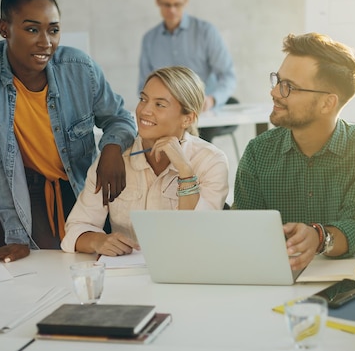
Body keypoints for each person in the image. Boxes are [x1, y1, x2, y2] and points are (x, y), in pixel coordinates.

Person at [0, 0, 136, 264]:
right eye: (31, 29)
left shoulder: (80, 68)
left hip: (84, 184)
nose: (46, 42)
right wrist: (14, 233)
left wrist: (110, 149)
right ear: (4, 29)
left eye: (53, 29)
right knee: (45, 266)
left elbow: (119, 118)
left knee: (103, 262)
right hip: (29, 192)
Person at [233, 32, 355, 271]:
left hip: (347, 285)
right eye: (278, 81)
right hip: (272, 281)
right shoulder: (258, 152)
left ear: (327, 103)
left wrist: (319, 238)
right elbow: (245, 232)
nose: (275, 92)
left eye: (289, 87)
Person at [61, 66, 229, 255]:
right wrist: (98, 241)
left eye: (160, 104)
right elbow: (76, 228)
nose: (144, 110)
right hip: (126, 275)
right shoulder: (115, 159)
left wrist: (185, 170)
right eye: (143, 99)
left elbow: (200, 237)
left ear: (187, 119)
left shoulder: (211, 161)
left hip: (187, 272)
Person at [138, 0, 237, 142]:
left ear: (186, 1)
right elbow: (144, 85)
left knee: (196, 147)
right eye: (167, 5)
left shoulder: (206, 32)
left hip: (202, 113)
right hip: (165, 114)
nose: (172, 10)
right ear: (157, 1)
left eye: (177, 4)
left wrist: (212, 100)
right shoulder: (150, 40)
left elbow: (228, 76)